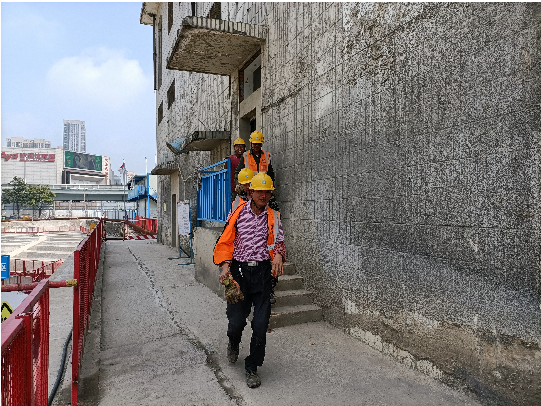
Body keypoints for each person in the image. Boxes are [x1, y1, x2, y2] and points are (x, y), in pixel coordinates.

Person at [214, 173, 286, 388]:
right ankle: (233, 342)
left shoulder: (274, 216)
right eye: (259, 191)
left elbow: (279, 242)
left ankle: (252, 367)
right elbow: (225, 241)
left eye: (267, 192)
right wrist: (225, 267)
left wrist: (279, 255)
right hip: (240, 272)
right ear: (251, 192)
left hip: (263, 274)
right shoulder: (237, 213)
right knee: (236, 322)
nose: (263, 195)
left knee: (260, 325)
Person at [228, 137, 246, 202]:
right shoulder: (230, 159)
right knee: (234, 203)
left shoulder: (247, 158)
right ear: (234, 148)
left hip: (245, 186)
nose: (239, 149)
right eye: (237, 147)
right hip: (234, 187)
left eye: (241, 147)